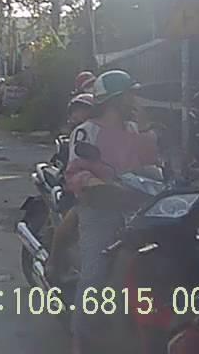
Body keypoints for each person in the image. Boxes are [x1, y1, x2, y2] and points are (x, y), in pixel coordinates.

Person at [63, 70, 161, 354]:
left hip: (137, 207)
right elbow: (74, 173)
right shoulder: (86, 132)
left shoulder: (133, 129)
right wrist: (96, 184)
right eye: (130, 95)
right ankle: (80, 342)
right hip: (99, 208)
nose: (134, 100)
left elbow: (151, 165)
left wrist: (146, 129)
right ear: (115, 100)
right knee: (94, 276)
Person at [44, 92, 94, 282]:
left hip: (105, 187)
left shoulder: (103, 131)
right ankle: (54, 263)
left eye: (85, 110)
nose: (80, 114)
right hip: (75, 190)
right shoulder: (78, 135)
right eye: (77, 110)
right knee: (74, 217)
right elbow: (72, 169)